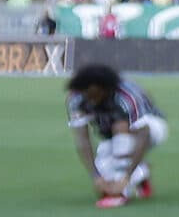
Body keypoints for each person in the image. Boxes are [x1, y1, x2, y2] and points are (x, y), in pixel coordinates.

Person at [64, 62, 165, 207]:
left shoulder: (127, 96)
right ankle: (141, 174)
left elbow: (144, 134)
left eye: (94, 94)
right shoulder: (76, 98)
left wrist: (125, 178)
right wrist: (96, 177)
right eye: (87, 94)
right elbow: (82, 139)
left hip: (151, 128)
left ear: (106, 88)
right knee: (103, 164)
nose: (90, 99)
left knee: (120, 128)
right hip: (112, 136)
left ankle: (122, 191)